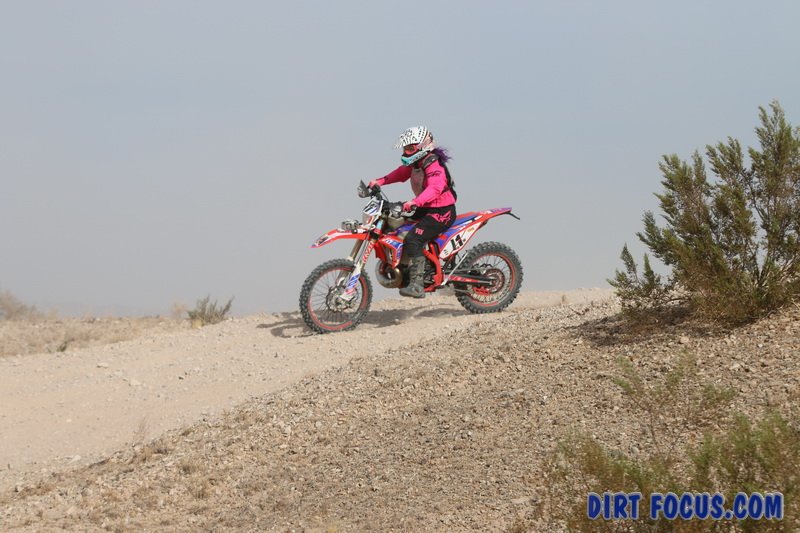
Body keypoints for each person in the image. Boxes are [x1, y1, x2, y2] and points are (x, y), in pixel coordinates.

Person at [368, 126, 457, 298]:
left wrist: (415, 202)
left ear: (423, 146)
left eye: (410, 148)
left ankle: (417, 285)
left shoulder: (433, 164)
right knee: (395, 222)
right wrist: (380, 181)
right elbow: (401, 173)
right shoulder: (417, 163)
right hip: (426, 208)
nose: (406, 152)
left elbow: (435, 188)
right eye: (405, 148)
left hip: (441, 211)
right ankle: (404, 267)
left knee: (413, 238)